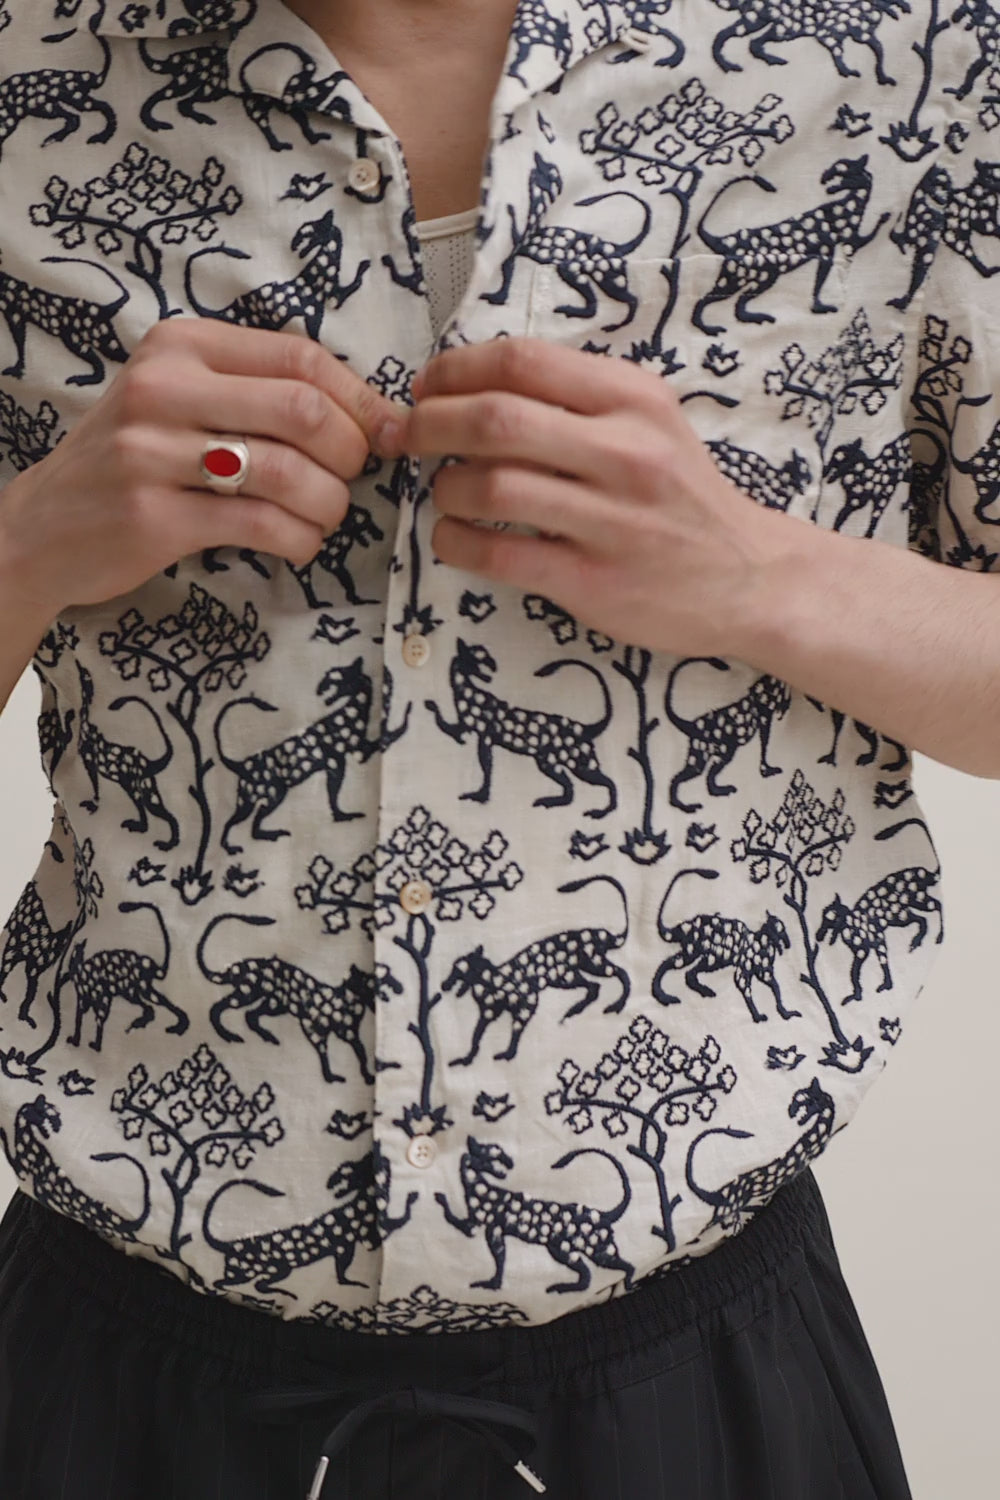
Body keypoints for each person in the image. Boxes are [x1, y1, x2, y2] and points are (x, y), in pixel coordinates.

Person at [0, 0, 995, 1494]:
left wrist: (761, 575)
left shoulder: (911, 58)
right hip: (112, 1388)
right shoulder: (26, 73)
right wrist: (29, 543)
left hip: (708, 1387)